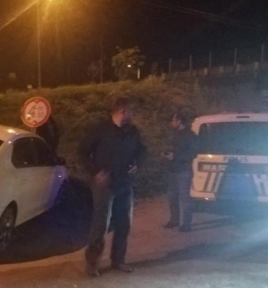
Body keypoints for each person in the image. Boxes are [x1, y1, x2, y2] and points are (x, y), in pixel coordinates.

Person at [78, 97, 147, 278]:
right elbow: (82, 152)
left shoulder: (133, 132)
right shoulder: (100, 130)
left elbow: (142, 151)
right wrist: (96, 172)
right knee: (101, 225)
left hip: (125, 184)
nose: (133, 114)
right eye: (131, 111)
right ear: (122, 112)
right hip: (105, 186)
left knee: (124, 223)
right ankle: (92, 263)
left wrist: (137, 163)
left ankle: (118, 260)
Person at [163, 111, 198, 232]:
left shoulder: (190, 135)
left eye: (173, 120)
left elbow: (193, 153)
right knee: (172, 197)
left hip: (184, 170)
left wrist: (176, 157)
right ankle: (174, 220)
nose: (171, 123)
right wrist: (166, 153)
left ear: (179, 121)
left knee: (185, 198)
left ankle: (187, 224)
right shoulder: (174, 134)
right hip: (172, 170)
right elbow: (172, 148)